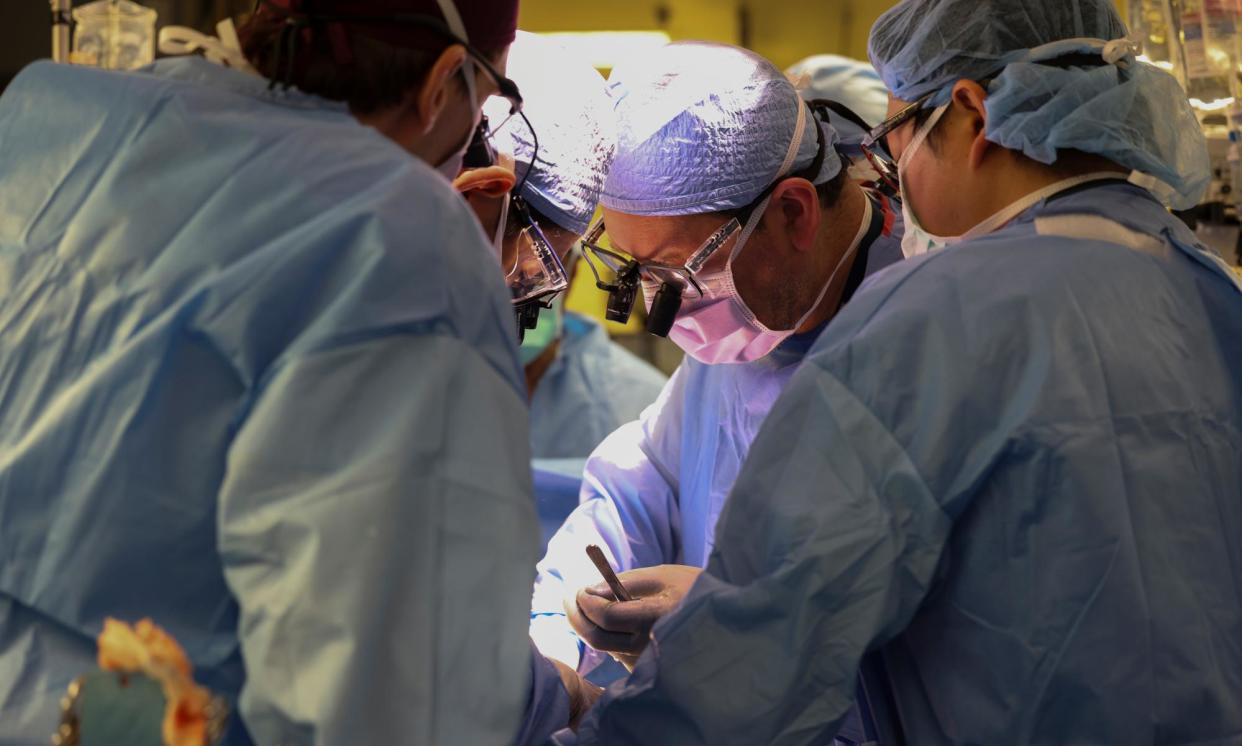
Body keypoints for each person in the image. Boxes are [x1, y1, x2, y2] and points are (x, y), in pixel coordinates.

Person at [559, 1, 1242, 744]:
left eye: (899, 132)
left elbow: (752, 666)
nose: (888, 166)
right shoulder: (1208, 289)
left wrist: (586, 718)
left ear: (973, 115)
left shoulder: (929, 319)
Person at [0, 1, 580, 743]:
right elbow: (398, 694)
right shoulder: (392, 231)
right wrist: (555, 697)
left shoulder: (49, 121)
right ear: (445, 80)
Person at [530, 41, 904, 676]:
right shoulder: (751, 328)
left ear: (792, 213)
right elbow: (644, 479)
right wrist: (562, 618)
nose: (663, 315)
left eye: (677, 277)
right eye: (636, 275)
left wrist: (745, 621)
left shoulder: (928, 341)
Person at [455, 32, 668, 463]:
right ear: (478, 191)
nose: (525, 300)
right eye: (526, 275)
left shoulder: (635, 407)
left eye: (545, 280)